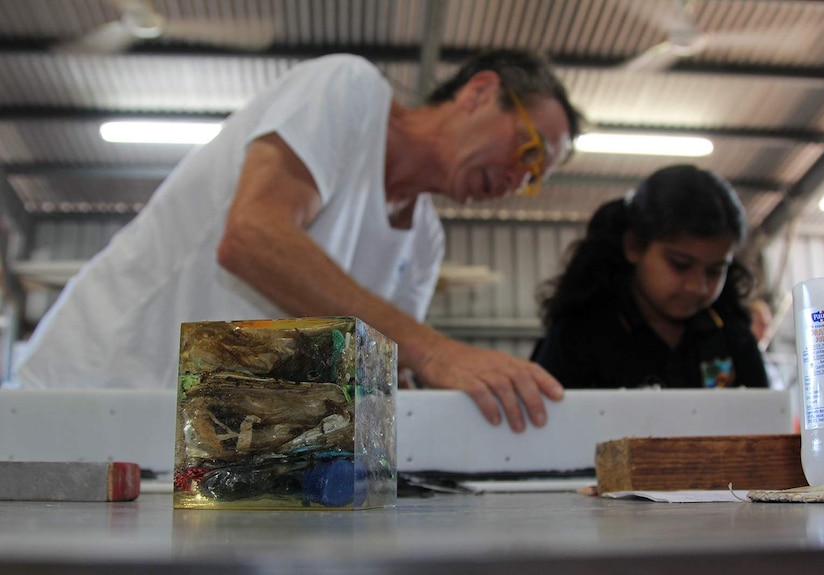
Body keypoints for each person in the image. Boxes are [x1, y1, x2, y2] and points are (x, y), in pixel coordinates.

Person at [13, 49, 584, 433]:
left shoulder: (424, 242)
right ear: (480, 92)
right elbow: (253, 237)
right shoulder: (349, 90)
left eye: (535, 179)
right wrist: (434, 350)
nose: (518, 181)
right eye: (528, 150)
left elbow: (379, 367)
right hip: (90, 390)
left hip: (200, 443)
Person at [531, 164, 768, 389]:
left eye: (715, 270)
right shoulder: (579, 339)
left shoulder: (733, 337)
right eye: (680, 265)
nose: (697, 286)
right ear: (634, 246)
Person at [749, 298, 787, 390]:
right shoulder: (745, 360)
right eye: (761, 324)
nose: (766, 331)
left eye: (768, 325)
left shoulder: (767, 362)